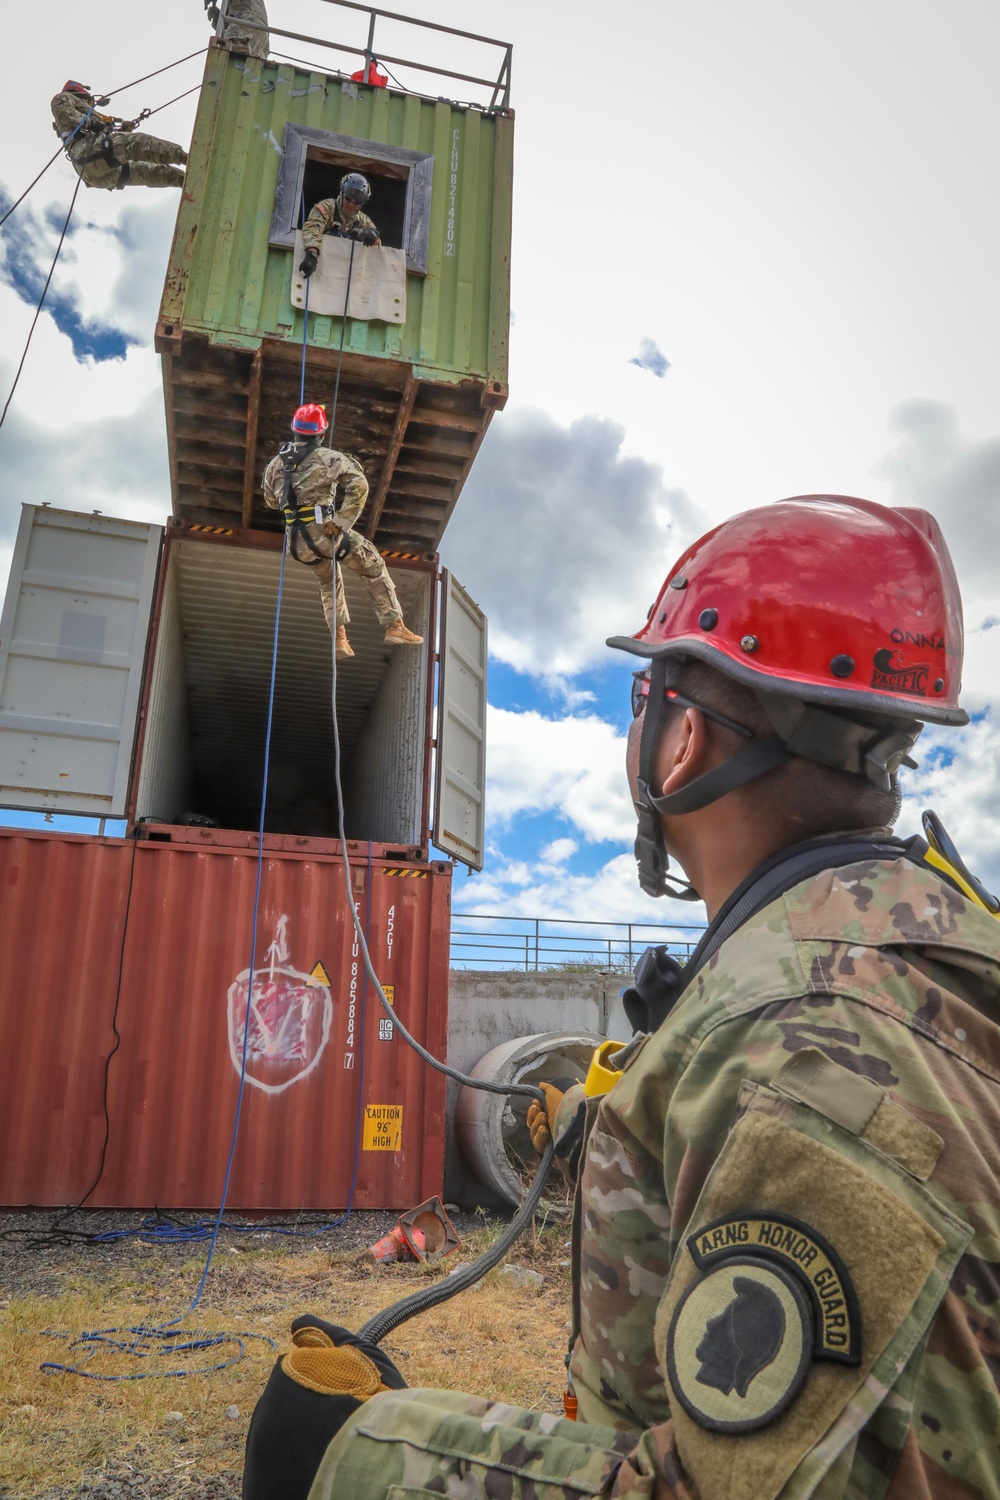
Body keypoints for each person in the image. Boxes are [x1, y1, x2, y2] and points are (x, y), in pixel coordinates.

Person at [244, 494, 1000, 1500]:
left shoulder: (807, 1041)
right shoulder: (899, 950)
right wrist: (598, 1120)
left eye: (644, 698)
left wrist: (360, 1451)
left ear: (680, 738)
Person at [262, 403, 423, 656]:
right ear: (321, 433)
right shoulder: (331, 458)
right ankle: (395, 625)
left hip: (296, 542)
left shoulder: (275, 464)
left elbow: (271, 501)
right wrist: (340, 524)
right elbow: (359, 487)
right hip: (325, 533)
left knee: (328, 580)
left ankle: (340, 640)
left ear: (295, 431)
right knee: (372, 563)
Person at [50, 81, 187, 190]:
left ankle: (185, 181)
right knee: (137, 142)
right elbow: (64, 113)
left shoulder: (88, 117)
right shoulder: (63, 98)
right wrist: (93, 123)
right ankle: (185, 157)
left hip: (95, 171)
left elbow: (111, 145)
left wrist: (124, 130)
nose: (91, 104)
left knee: (147, 170)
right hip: (87, 153)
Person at [299, 173, 381, 279]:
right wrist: (312, 253)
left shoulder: (363, 220)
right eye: (348, 198)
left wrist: (370, 237)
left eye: (356, 202)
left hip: (349, 277)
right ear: (341, 194)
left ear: (362, 204)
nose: (351, 204)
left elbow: (378, 245)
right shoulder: (328, 207)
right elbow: (313, 227)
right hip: (321, 271)